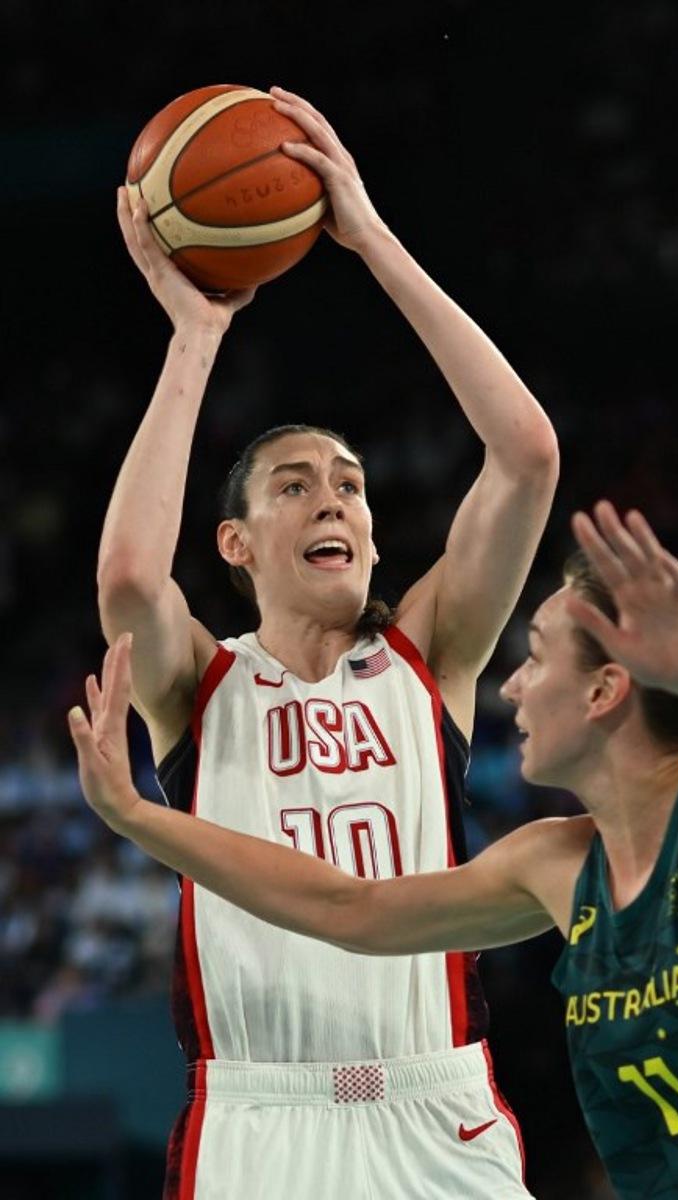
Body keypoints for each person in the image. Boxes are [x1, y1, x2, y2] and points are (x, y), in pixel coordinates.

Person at [99, 85, 558, 1198]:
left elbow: (526, 456)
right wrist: (195, 335)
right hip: (259, 1115)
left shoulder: (429, 653)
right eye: (295, 488)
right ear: (238, 543)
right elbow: (126, 578)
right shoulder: (201, 685)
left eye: (349, 487)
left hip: (434, 1102)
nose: (335, 505)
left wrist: (368, 235)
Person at [72, 501, 678, 1200]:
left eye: (536, 659)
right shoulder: (555, 865)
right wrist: (136, 815)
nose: (511, 685)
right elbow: (346, 906)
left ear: (605, 690)